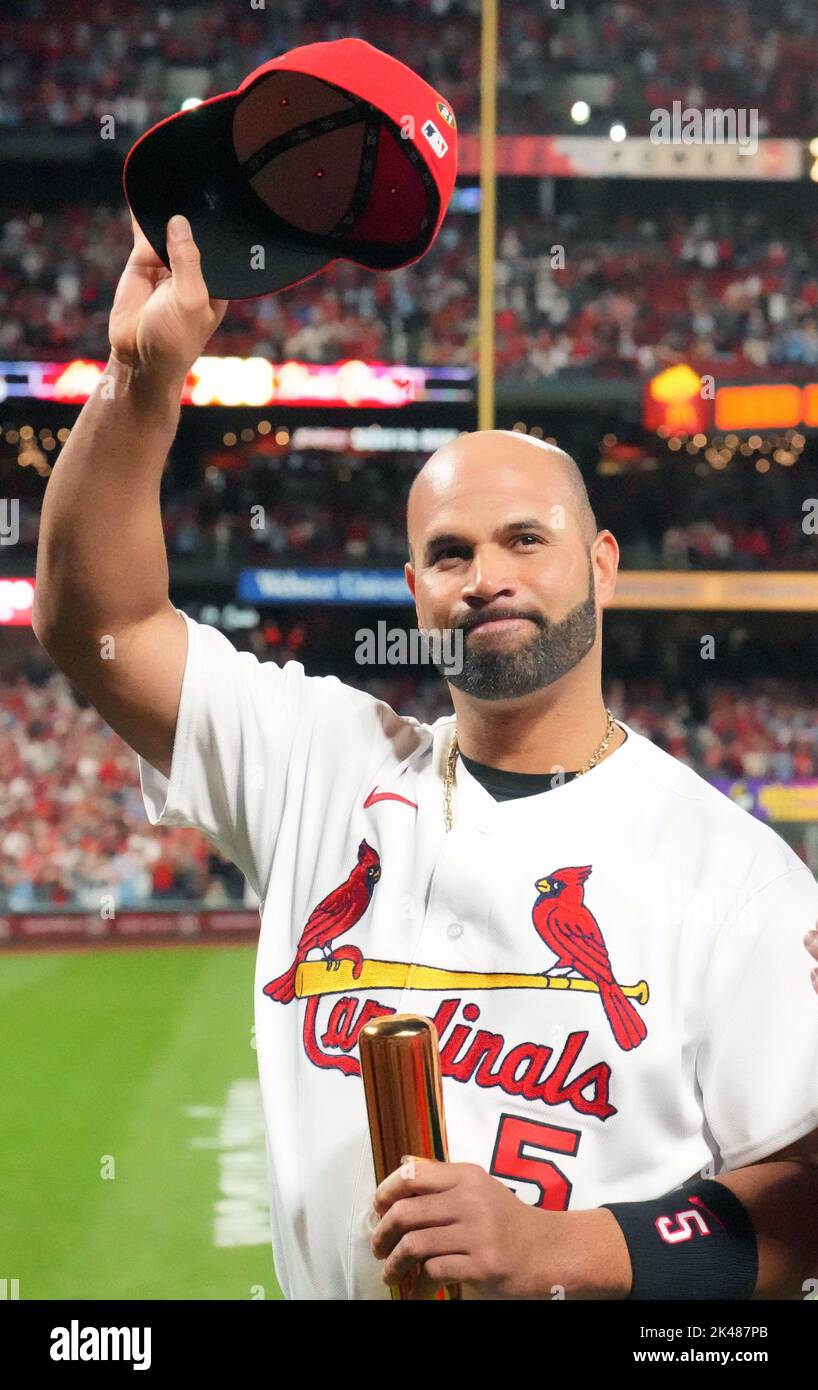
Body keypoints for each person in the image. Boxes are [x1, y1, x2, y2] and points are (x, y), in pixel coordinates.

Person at [34, 214, 818, 1301]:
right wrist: (138, 375)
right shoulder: (321, 764)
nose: (483, 574)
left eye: (524, 541)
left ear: (602, 565)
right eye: (448, 553)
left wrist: (554, 1247)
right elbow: (95, 619)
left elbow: (799, 1200)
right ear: (417, 594)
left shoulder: (732, 873)